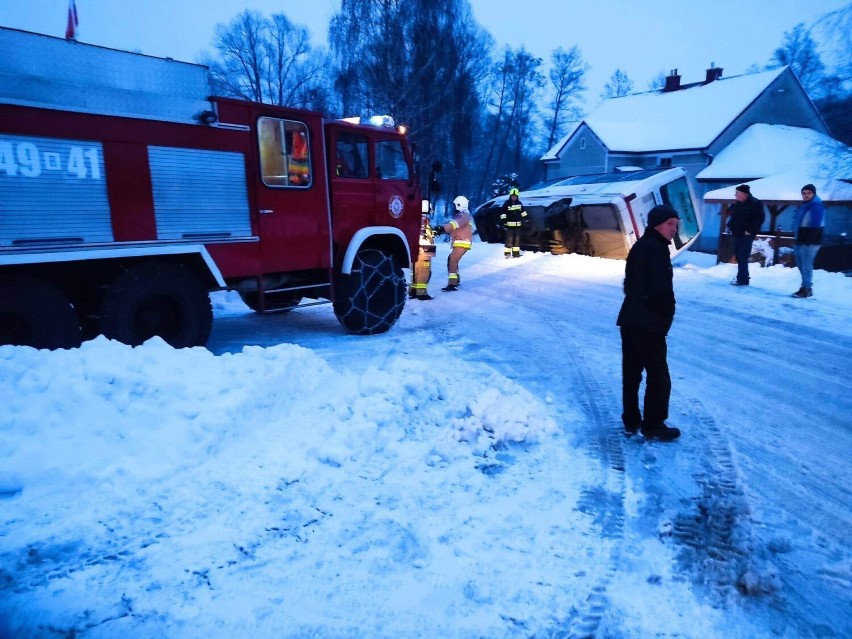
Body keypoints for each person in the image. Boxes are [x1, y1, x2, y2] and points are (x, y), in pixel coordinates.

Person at [616, 205, 682, 442]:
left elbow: (631, 285)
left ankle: (631, 421)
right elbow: (659, 290)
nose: (674, 229)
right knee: (659, 376)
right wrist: (664, 316)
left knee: (632, 373)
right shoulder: (655, 249)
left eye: (676, 224)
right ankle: (653, 424)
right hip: (647, 324)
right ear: (656, 224)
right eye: (670, 223)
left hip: (632, 320)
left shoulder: (642, 246)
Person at [791, 183, 825, 298]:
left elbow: (816, 225)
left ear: (814, 194)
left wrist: (807, 240)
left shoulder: (816, 206)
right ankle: (805, 286)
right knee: (801, 264)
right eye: (804, 193)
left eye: (808, 193)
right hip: (801, 238)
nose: (806, 195)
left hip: (810, 241)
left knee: (806, 265)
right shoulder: (805, 206)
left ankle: (806, 289)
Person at [726, 184, 765, 286]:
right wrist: (730, 225)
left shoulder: (755, 203)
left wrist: (750, 230)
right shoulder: (738, 203)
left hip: (747, 235)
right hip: (737, 233)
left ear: (744, 194)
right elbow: (733, 216)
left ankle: (741, 280)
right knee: (739, 256)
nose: (735, 195)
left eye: (737, 193)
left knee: (743, 256)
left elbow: (760, 219)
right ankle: (744, 278)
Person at [432, 196, 473, 291]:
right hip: (461, 241)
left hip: (462, 242)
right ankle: (456, 280)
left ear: (459, 205)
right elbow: (453, 226)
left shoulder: (463, 215)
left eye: (455, 205)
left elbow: (454, 224)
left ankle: (452, 284)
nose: (454, 207)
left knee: (452, 260)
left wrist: (442, 229)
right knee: (451, 259)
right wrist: (441, 229)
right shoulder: (463, 215)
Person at [408, 213, 436, 300]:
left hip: (417, 247)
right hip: (425, 248)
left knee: (416, 270)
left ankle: (413, 290)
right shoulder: (423, 219)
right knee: (424, 270)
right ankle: (421, 293)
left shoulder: (415, 218)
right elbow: (424, 234)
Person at [499, 188, 529, 258]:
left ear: (517, 197)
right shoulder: (506, 204)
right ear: (510, 196)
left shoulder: (519, 203)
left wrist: (526, 219)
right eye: (512, 196)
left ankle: (516, 254)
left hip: (518, 226)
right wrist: (504, 222)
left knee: (517, 240)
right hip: (509, 226)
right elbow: (503, 213)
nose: (513, 197)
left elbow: (523, 212)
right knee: (509, 240)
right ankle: (507, 254)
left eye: (515, 196)